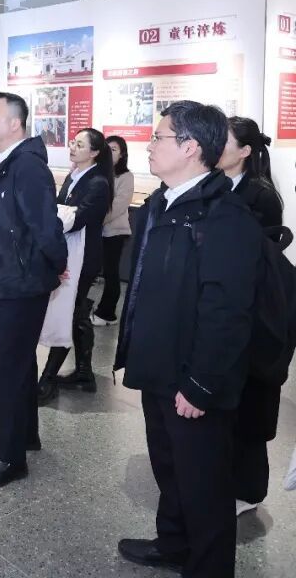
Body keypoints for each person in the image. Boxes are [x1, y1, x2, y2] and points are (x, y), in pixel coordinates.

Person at [114, 101, 261, 578]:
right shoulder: (162, 203)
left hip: (193, 377)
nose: (149, 145)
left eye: (159, 137)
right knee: (169, 467)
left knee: (204, 485)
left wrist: (200, 384)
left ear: (190, 147)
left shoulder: (225, 217)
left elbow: (228, 312)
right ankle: (174, 544)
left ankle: (209, 567)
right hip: (158, 364)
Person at [0, 92, 66, 489]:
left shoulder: (26, 167)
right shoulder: (8, 163)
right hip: (8, 276)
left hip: (20, 280)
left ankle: (12, 458)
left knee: (7, 366)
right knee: (20, 361)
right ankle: (24, 433)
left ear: (15, 123)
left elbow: (45, 224)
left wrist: (57, 263)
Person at [217, 116, 285, 517]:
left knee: (251, 405)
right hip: (224, 308)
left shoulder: (261, 195)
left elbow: (261, 259)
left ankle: (249, 489)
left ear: (244, 151)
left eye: (223, 141)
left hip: (253, 310)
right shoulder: (215, 184)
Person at [38, 128, 113, 403]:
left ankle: (48, 377)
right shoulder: (74, 176)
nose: (73, 147)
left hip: (84, 258)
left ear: (94, 152)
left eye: (80, 145)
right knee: (77, 312)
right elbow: (59, 210)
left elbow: (77, 218)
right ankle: (84, 372)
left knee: (70, 312)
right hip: (68, 251)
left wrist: (57, 215)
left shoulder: (98, 183)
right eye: (73, 142)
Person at [92, 135, 134, 326]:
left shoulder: (126, 176)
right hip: (98, 231)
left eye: (114, 149)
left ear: (122, 154)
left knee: (111, 273)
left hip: (115, 232)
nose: (109, 152)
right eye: (107, 148)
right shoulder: (99, 172)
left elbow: (118, 205)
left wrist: (95, 220)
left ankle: (107, 313)